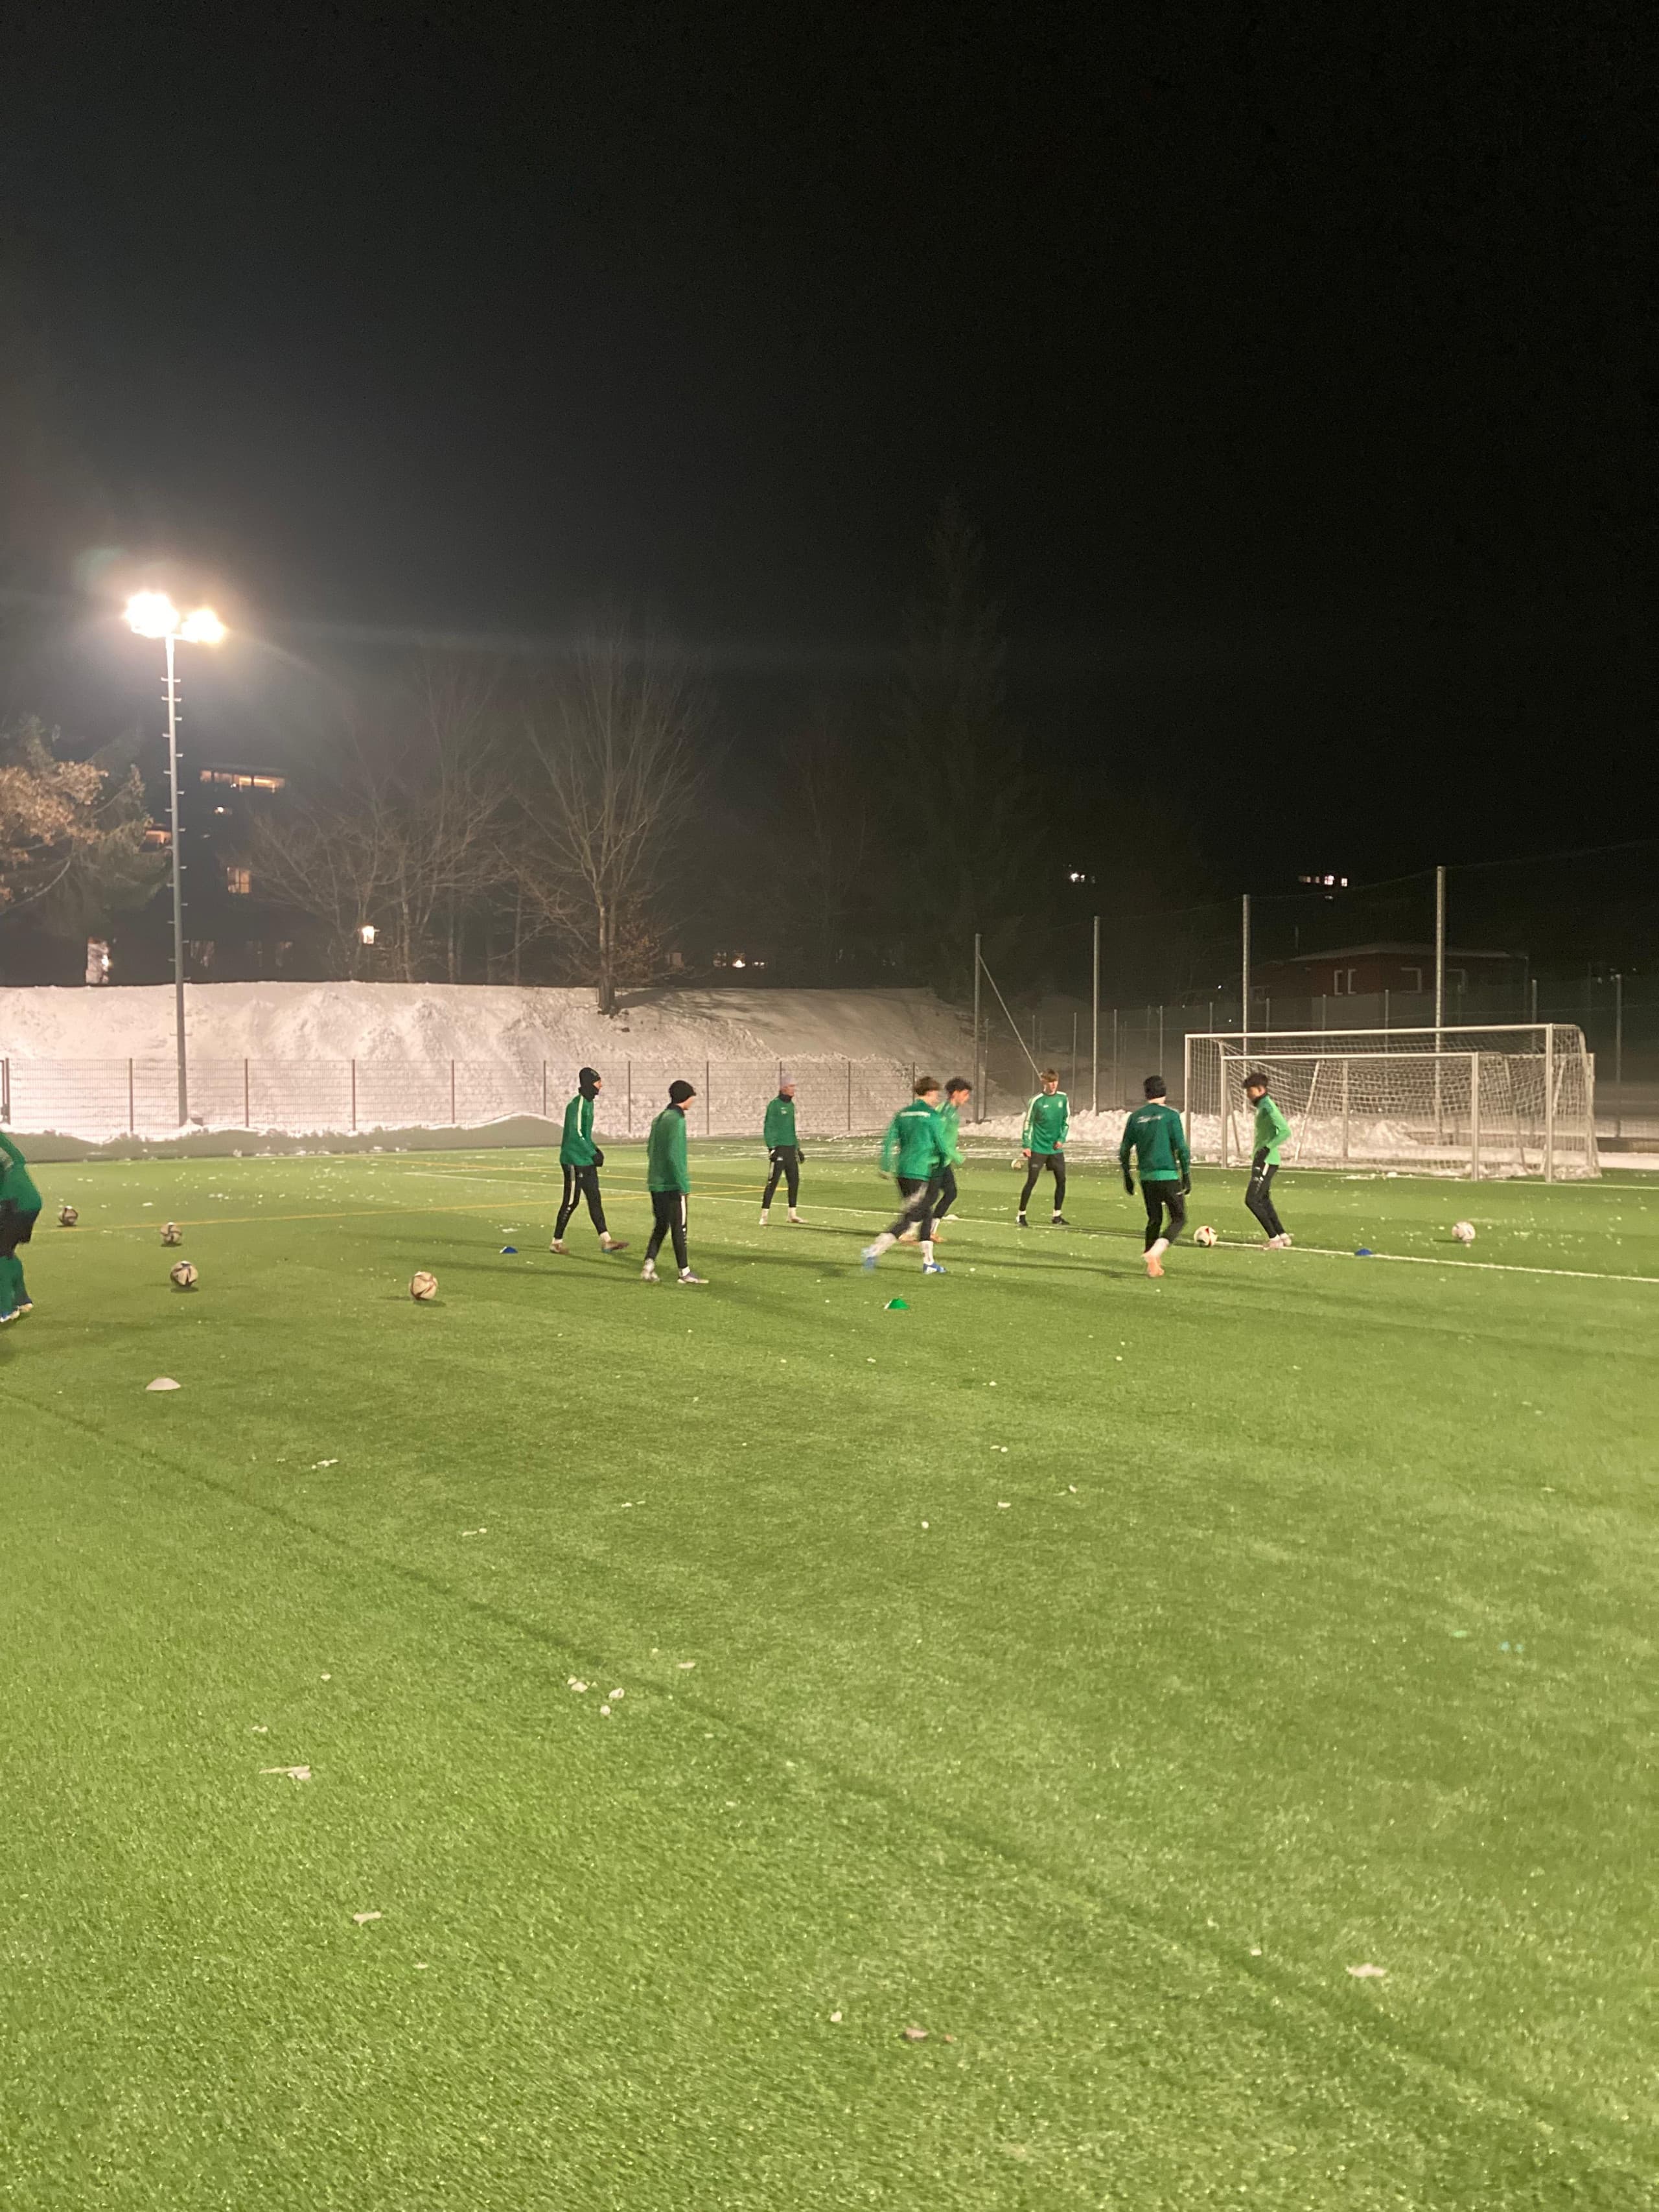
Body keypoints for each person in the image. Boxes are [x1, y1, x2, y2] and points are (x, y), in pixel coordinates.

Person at [862, 1076, 949, 1274]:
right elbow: (942, 1146)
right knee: (911, 1217)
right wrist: (944, 1161)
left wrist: (886, 1165)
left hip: (902, 1172)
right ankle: (874, 1250)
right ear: (929, 1093)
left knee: (925, 1213)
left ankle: (929, 1263)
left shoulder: (902, 1114)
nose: (937, 1098)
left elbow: (888, 1141)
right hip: (919, 1171)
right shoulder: (933, 1116)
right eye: (936, 1094)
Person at [550, 1067, 628, 1255]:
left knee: (595, 1198)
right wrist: (592, 1153)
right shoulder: (577, 1105)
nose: (601, 1085)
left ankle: (606, 1241)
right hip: (572, 1160)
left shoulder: (589, 1104)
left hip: (585, 1160)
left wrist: (595, 1150)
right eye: (598, 1081)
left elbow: (585, 1135)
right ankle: (556, 1242)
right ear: (589, 1083)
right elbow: (576, 1134)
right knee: (571, 1201)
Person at [1120, 1076, 1191, 1278]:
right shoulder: (1171, 1116)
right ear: (1165, 1092)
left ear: (1146, 1093)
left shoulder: (1136, 1117)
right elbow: (1181, 1147)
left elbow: (1124, 1149)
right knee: (1179, 1218)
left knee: (1154, 1219)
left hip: (1147, 1178)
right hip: (1168, 1175)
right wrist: (1186, 1173)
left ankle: (1152, 1266)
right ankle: (1155, 1252)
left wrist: (1127, 1175)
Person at [642, 1079, 706, 1285]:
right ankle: (684, 1272)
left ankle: (649, 1265)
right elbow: (675, 1155)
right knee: (680, 1227)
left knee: (661, 1225)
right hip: (671, 1184)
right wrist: (683, 1185)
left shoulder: (659, 1118)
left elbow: (650, 1149)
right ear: (686, 1097)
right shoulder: (677, 1121)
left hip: (656, 1182)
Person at [1242, 1070, 1292, 1246]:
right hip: (1263, 1159)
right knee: (1263, 1199)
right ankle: (1282, 1235)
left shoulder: (1268, 1106)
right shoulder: (1262, 1105)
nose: (1248, 1095)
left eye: (1250, 1091)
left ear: (1261, 1089)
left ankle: (1274, 1239)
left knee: (1252, 1200)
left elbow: (1285, 1131)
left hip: (1267, 1160)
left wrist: (1266, 1149)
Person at [0, 1130, 43, 1324]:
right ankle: (21, 1299)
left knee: (2, 1252)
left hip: (15, 1203)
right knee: (7, 1250)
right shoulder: (5, 1147)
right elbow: (17, 1160)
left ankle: (5, 1309)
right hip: (28, 1201)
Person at [1017, 1069, 1069, 1226]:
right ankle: (1021, 1214)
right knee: (1032, 1181)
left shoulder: (1063, 1098)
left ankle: (1057, 1215)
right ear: (1044, 1082)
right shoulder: (1037, 1101)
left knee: (1062, 1180)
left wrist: (1061, 1139)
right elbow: (1028, 1123)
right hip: (1038, 1148)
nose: (1053, 1085)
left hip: (1055, 1149)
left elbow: (1066, 1121)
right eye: (1050, 1082)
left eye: (1055, 1082)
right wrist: (1027, 1145)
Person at [759, 1075, 803, 1226]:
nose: (794, 1089)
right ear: (784, 1088)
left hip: (790, 1149)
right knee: (773, 1182)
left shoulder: (791, 1106)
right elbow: (768, 1127)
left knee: (794, 1181)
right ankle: (764, 1215)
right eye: (791, 1086)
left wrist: (797, 1148)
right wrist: (771, 1147)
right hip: (779, 1149)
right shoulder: (774, 1105)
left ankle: (792, 1214)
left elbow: (791, 1129)